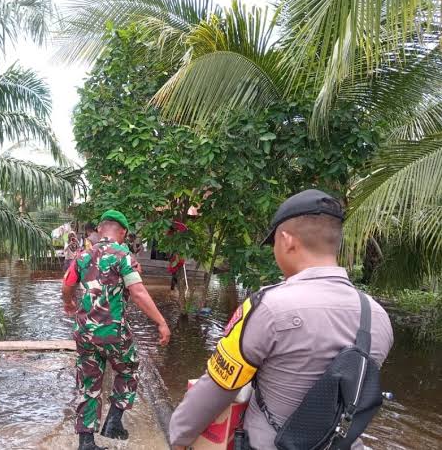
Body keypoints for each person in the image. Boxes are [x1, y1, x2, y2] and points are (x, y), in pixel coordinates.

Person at [169, 189, 394, 450]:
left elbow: (220, 386)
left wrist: (178, 437)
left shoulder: (269, 307)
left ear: (287, 240)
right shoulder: (378, 316)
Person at [62, 210, 171, 450]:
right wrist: (161, 322)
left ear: (101, 229)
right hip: (113, 332)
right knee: (128, 369)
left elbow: (67, 283)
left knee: (88, 382)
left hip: (85, 332)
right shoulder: (124, 255)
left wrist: (68, 303)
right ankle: (113, 422)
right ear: (123, 232)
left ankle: (86, 442)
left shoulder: (82, 254)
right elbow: (138, 292)